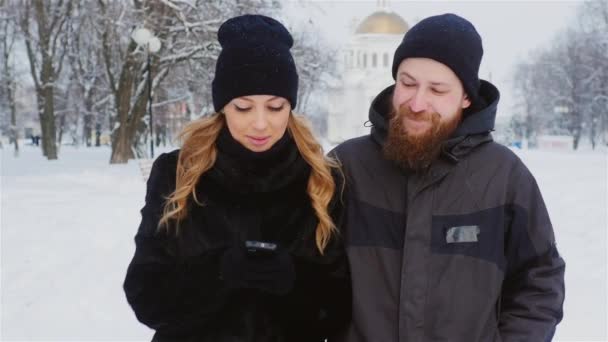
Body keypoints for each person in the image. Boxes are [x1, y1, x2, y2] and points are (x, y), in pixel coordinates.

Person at [331, 13, 565, 342]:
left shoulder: (504, 177)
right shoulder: (347, 168)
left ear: (466, 97)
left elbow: (539, 281)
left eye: (437, 89)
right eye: (407, 83)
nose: (416, 102)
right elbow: (304, 275)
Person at [124, 14, 350, 342]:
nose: (260, 124)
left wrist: (295, 280)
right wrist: (216, 272)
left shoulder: (323, 180)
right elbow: (146, 296)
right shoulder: (178, 174)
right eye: (243, 107)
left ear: (291, 106)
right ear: (223, 106)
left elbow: (340, 308)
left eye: (275, 107)